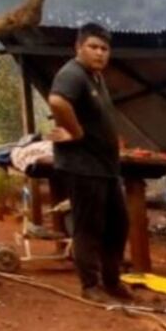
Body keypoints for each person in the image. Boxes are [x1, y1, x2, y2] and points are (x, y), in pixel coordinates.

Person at [46, 23, 132, 303]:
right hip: (83, 166)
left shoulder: (95, 77)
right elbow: (58, 101)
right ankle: (90, 286)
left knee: (118, 224)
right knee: (89, 227)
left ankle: (112, 281)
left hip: (105, 167)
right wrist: (76, 132)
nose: (100, 53)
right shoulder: (72, 73)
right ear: (78, 47)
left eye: (105, 49)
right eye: (93, 47)